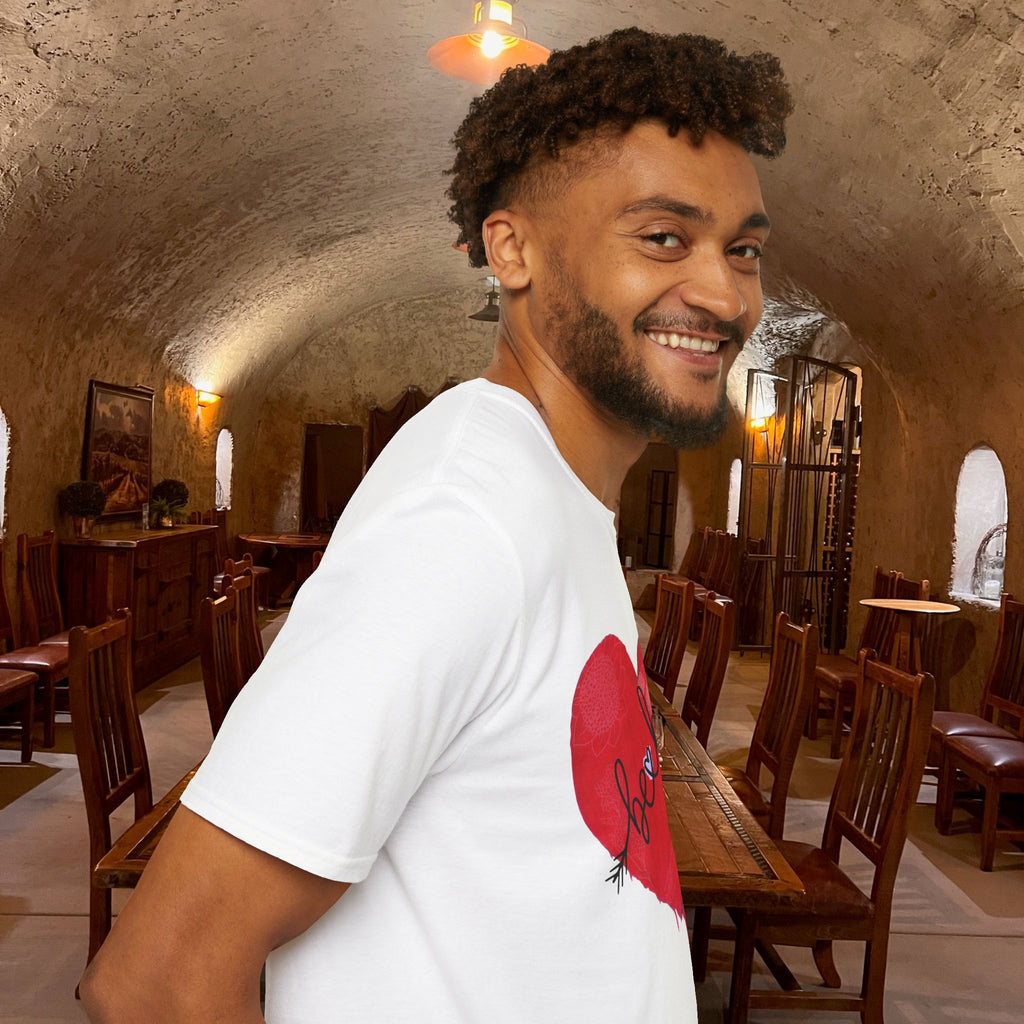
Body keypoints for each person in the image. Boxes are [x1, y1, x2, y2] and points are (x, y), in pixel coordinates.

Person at [81, 26, 792, 1023]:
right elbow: (157, 979)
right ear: (513, 249)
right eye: (663, 237)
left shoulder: (549, 497)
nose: (723, 292)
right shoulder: (466, 512)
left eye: (744, 248)